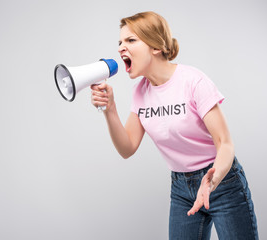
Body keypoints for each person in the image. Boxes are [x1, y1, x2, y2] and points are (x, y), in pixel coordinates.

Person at [90, 11, 258, 240]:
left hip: (221, 180)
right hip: (181, 188)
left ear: (156, 47)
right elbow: (127, 148)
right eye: (119, 42)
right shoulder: (140, 91)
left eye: (131, 40)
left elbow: (225, 143)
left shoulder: (193, 81)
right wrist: (110, 110)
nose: (121, 47)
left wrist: (213, 180)